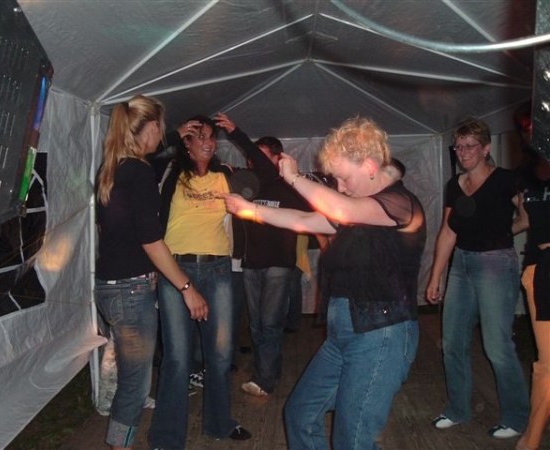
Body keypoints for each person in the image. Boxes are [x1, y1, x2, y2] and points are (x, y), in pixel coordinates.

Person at [221, 116, 426, 449]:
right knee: (300, 414)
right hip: (343, 334)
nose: (340, 187)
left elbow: (341, 209)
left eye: (344, 178)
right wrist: (251, 210)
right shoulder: (354, 210)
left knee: (352, 440)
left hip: (381, 336)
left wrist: (294, 178)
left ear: (370, 166)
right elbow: (305, 218)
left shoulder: (402, 204)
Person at [94, 95, 208, 450]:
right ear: (152, 127)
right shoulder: (138, 172)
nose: (161, 136)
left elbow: (118, 233)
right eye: (161, 128)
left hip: (110, 286)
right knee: (135, 386)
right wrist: (187, 287)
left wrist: (174, 135)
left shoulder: (112, 168)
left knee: (131, 382)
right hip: (129, 292)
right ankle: (120, 446)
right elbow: (150, 239)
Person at [147, 115, 251, 450]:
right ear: (187, 143)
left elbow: (265, 173)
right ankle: (166, 437)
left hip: (218, 270)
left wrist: (238, 134)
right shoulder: (170, 174)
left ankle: (219, 423)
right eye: (200, 136)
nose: (208, 142)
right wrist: (173, 136)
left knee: (219, 356)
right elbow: (142, 158)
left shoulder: (225, 176)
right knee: (177, 358)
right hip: (176, 270)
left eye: (212, 137)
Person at [426, 117, 530, 439]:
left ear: (486, 148)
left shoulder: (506, 180)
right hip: (461, 264)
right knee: (452, 342)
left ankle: (516, 417)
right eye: (459, 146)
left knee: (496, 345)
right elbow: (448, 232)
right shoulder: (454, 185)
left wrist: (502, 233)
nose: (463, 152)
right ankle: (458, 409)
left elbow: (528, 218)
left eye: (470, 145)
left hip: (495, 264)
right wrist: (435, 276)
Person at [216, 113, 309, 397]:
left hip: (279, 264)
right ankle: (268, 370)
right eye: (253, 157)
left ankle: (265, 379)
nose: (253, 161)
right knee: (257, 324)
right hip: (252, 263)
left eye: (262, 156)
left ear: (278, 159)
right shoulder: (250, 182)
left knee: (269, 322)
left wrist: (237, 133)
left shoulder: (290, 186)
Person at [512, 105, 550, 450]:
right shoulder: (524, 175)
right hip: (540, 271)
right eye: (526, 127)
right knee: (547, 364)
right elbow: (524, 220)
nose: (531, 131)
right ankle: (531, 439)